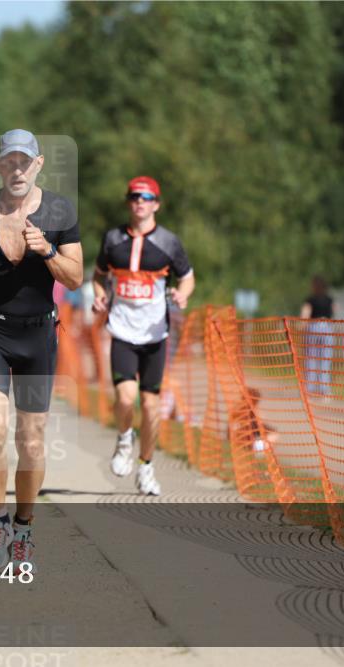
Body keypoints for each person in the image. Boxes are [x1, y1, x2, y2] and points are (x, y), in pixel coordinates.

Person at [0, 129, 83, 572]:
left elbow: (76, 278)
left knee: (30, 438)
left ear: (39, 164)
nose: (18, 168)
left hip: (38, 335)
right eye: (11, 160)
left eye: (26, 161)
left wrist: (46, 251)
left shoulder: (60, 210)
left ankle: (24, 528)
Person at [92, 176, 195, 496]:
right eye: (135, 196)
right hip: (122, 330)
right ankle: (125, 439)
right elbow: (99, 275)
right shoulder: (112, 239)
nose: (140, 201)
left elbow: (188, 278)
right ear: (128, 202)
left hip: (155, 335)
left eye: (147, 197)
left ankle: (146, 466)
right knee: (125, 398)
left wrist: (182, 295)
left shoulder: (168, 242)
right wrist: (99, 295)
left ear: (156, 204)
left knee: (151, 407)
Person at [300, 276, 335, 397]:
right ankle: (324, 390)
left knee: (311, 358)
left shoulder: (310, 300)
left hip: (314, 327)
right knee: (325, 360)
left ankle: (310, 389)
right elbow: (334, 313)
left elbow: (305, 315)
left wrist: (302, 330)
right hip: (327, 327)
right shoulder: (329, 299)